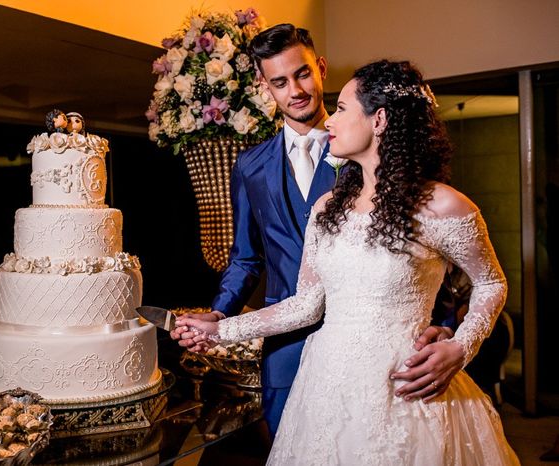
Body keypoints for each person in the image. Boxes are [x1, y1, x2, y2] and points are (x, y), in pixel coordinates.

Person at [176, 60, 520, 464]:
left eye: (341, 108)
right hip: (324, 388)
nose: (331, 120)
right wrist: (219, 332)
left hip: (405, 387)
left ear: (379, 120)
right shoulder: (327, 208)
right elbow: (307, 304)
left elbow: (491, 283)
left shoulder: (442, 205)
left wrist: (461, 346)